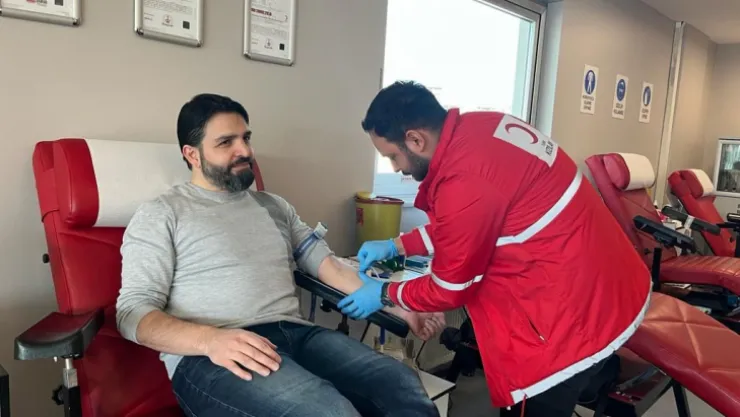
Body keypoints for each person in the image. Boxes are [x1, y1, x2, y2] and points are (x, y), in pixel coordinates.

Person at [115, 93, 446, 417]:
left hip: (296, 335)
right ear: (192, 154)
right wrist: (210, 340)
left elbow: (331, 268)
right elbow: (132, 313)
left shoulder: (274, 207)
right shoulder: (162, 214)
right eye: (226, 142)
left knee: (399, 382)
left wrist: (401, 308)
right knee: (330, 412)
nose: (245, 151)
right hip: (212, 357)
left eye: (246, 138)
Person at [337, 81, 652, 417]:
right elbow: (473, 223)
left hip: (565, 323)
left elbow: (450, 287)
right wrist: (398, 245)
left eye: (392, 156)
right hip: (609, 291)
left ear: (416, 139)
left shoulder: (464, 178)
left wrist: (385, 294)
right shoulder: (482, 128)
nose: (395, 167)